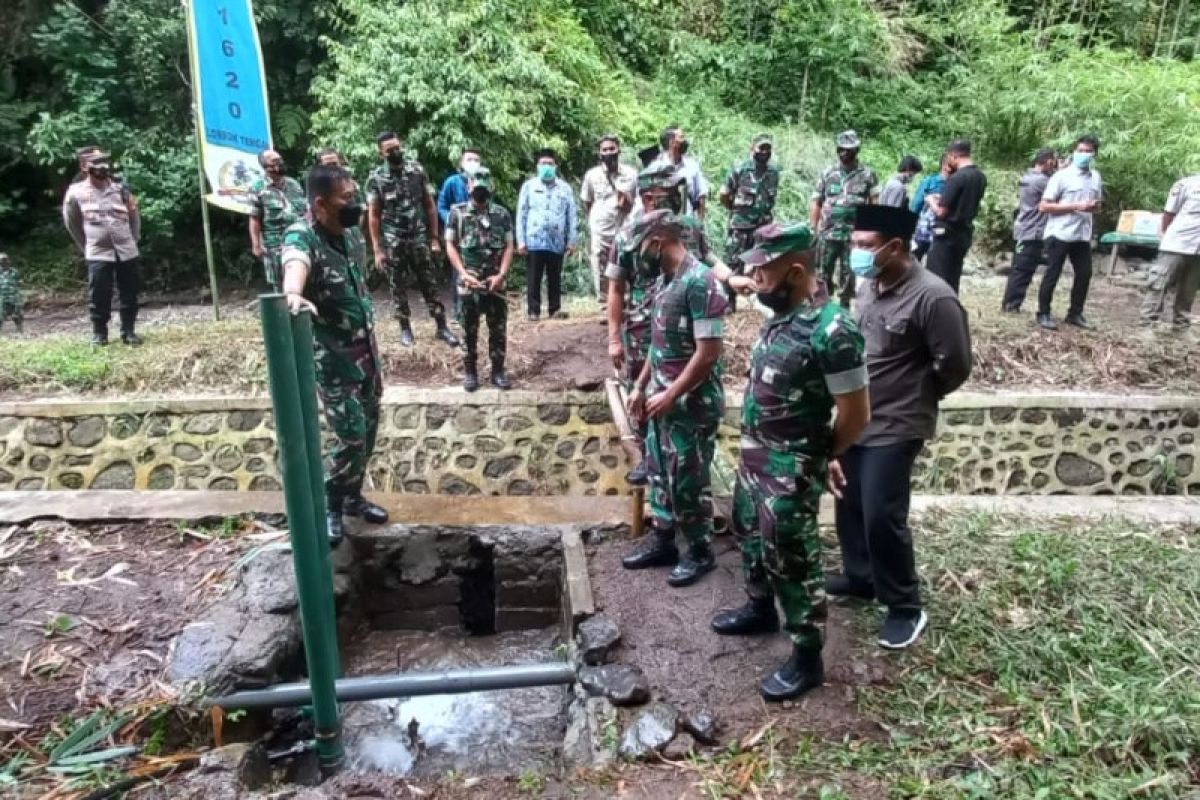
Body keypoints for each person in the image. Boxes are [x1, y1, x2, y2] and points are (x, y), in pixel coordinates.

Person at [711, 221, 870, 702]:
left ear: (797, 271)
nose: (754, 280)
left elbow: (856, 417)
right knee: (751, 537)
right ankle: (759, 608)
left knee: (793, 557)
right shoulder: (780, 315)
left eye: (763, 273)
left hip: (790, 467)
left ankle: (807, 654)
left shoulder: (835, 331)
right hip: (756, 458)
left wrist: (820, 455)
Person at [829, 205, 972, 649]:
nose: (856, 252)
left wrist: (917, 395)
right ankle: (861, 579)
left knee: (881, 515)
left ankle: (905, 605)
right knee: (848, 503)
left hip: (898, 423)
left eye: (864, 246)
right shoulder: (870, 285)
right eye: (853, 244)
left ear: (894, 247)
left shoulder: (934, 297)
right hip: (857, 417)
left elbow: (956, 365)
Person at [608, 165, 743, 486]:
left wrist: (735, 279)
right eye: (667, 196)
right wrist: (613, 338)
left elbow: (710, 260)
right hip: (644, 329)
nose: (675, 202)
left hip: (688, 327)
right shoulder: (628, 235)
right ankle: (648, 457)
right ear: (648, 197)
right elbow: (615, 288)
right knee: (644, 397)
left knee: (687, 397)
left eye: (676, 195)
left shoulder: (688, 231)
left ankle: (686, 470)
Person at [280, 164, 389, 546]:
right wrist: (292, 293)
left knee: (369, 432)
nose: (355, 204)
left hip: (366, 356)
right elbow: (295, 265)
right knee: (350, 437)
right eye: (346, 198)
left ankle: (353, 497)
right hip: (334, 361)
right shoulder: (302, 236)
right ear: (321, 204)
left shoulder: (351, 236)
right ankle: (330, 503)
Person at [622, 210, 731, 588]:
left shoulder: (701, 283)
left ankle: (700, 552)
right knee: (659, 476)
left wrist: (672, 393)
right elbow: (658, 343)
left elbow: (708, 353)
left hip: (691, 406)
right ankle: (664, 541)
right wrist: (640, 386)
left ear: (656, 241)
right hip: (661, 402)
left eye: (639, 249)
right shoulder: (664, 283)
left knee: (688, 482)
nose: (637, 259)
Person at [366, 132, 458, 348]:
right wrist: (377, 249)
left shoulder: (416, 171)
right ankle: (405, 329)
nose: (395, 152)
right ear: (381, 153)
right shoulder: (376, 178)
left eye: (397, 147)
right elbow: (374, 215)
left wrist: (434, 238)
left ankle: (442, 326)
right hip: (393, 240)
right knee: (396, 285)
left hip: (418, 237)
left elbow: (429, 205)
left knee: (429, 282)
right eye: (389, 150)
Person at [63, 149, 143, 346]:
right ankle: (100, 334)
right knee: (99, 294)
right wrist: (88, 246)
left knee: (130, 292)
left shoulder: (121, 190)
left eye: (105, 161)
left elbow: (134, 217)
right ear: (84, 166)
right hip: (98, 252)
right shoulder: (76, 193)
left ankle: (128, 332)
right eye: (97, 162)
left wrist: (133, 240)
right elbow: (72, 223)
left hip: (126, 250)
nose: (103, 166)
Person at [446, 168, 515, 392]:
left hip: (496, 283)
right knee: (468, 330)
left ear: (490, 188)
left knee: (498, 330)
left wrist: (501, 275)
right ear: (468, 188)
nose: (480, 191)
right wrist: (463, 274)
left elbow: (508, 246)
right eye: (476, 187)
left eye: (484, 188)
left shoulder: (502, 214)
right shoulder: (457, 213)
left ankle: (498, 371)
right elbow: (450, 245)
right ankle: (470, 372)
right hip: (469, 284)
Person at [1033, 135, 1102, 330]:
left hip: (1082, 234)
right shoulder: (1061, 176)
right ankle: (1043, 312)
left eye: (1088, 151)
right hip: (1059, 232)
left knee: (1084, 273)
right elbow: (1044, 206)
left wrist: (1094, 207)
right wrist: (1075, 206)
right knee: (1052, 273)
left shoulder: (1096, 177)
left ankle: (1075, 313)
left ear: (1094, 154)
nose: (1084, 154)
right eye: (1080, 150)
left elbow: (1097, 202)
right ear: (1074, 151)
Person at [810, 130, 880, 306]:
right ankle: (821, 306)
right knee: (822, 271)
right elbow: (816, 202)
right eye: (840, 149)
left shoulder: (867, 174)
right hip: (828, 233)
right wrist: (813, 228)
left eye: (848, 150)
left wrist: (871, 232)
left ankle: (844, 306)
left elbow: (874, 204)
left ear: (856, 150)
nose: (843, 153)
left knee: (849, 273)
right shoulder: (828, 173)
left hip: (853, 235)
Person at [517, 149, 578, 320]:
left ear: (556, 166)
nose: (546, 167)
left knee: (554, 276)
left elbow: (571, 215)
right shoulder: (529, 187)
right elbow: (521, 214)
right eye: (543, 163)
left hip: (556, 240)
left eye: (550, 164)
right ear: (537, 166)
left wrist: (571, 241)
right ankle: (533, 311)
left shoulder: (565, 189)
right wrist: (521, 240)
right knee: (533, 277)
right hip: (534, 239)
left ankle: (554, 309)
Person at [581, 135, 638, 309]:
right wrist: (595, 219)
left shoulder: (630, 174)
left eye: (611, 149)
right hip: (600, 227)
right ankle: (605, 302)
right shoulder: (592, 175)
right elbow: (587, 201)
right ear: (599, 153)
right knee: (600, 262)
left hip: (624, 225)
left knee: (626, 260)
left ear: (618, 150)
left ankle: (626, 299)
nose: (608, 153)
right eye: (604, 150)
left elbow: (638, 200)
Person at [926, 139, 987, 295]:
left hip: (946, 235)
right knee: (953, 277)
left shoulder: (957, 178)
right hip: (964, 233)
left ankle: (936, 313)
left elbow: (941, 212)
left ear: (953, 156)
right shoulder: (980, 177)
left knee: (936, 278)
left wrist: (931, 201)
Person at [1139, 172, 1200, 327]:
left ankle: (1181, 323)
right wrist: (1165, 234)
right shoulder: (1186, 185)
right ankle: (1148, 322)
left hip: (1198, 250)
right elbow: (1169, 213)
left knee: (1189, 289)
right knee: (1159, 283)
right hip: (1177, 243)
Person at [1001, 149, 1058, 313]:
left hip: (1025, 228)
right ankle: (1011, 304)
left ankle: (1011, 303)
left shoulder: (1028, 177)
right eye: (1053, 161)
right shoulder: (1041, 181)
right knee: (1022, 269)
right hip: (1031, 231)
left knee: (1020, 268)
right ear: (1048, 162)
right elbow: (1058, 189)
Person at [720, 133, 780, 280]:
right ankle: (729, 300)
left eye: (768, 148)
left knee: (760, 267)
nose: (765, 152)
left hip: (762, 229)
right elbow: (723, 194)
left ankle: (752, 300)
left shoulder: (773, 173)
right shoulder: (740, 169)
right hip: (740, 229)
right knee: (733, 266)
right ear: (752, 148)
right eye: (761, 148)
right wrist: (735, 211)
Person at [248, 149, 307, 293]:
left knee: (302, 279)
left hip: (299, 241)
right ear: (265, 166)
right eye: (274, 161)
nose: (279, 163)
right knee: (280, 286)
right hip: (274, 244)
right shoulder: (257, 188)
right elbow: (254, 218)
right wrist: (256, 245)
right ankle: (283, 314)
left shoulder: (294, 184)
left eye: (280, 159)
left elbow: (305, 211)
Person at [653, 127, 709, 221]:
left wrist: (699, 226)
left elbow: (701, 196)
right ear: (672, 142)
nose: (685, 141)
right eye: (681, 137)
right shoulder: (656, 167)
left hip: (686, 223)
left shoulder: (692, 166)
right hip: (663, 226)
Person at [910, 154, 948, 263]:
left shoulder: (955, 183)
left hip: (942, 230)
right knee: (916, 257)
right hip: (924, 230)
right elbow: (917, 204)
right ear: (945, 165)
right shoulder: (930, 181)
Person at [438, 148, 482, 229]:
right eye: (469, 159)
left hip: (478, 230)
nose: (473, 163)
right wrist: (451, 220)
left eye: (476, 160)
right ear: (462, 163)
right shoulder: (452, 182)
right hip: (455, 231)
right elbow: (442, 207)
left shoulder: (483, 184)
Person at [0, 253, 23, 334]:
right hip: (2, 298)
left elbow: (19, 281)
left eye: (5, 260)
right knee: (1, 316)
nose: (3, 261)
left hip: (14, 297)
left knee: (18, 315)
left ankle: (20, 332)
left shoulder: (14, 271)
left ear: (8, 261)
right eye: (2, 260)